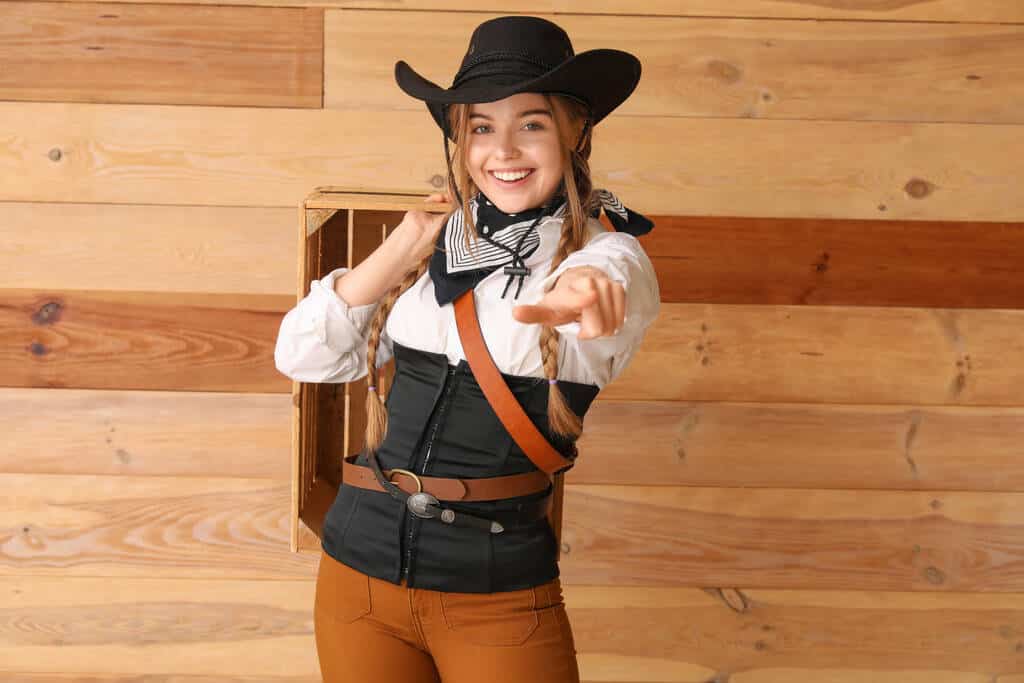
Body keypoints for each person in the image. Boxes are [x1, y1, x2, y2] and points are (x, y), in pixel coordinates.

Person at [273, 15, 660, 683]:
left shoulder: (606, 252)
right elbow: (302, 356)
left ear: (575, 129)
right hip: (354, 575)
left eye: (531, 123)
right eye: (482, 126)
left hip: (497, 593)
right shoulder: (435, 250)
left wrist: (590, 292)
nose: (503, 149)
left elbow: (606, 283)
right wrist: (403, 244)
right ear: (460, 137)